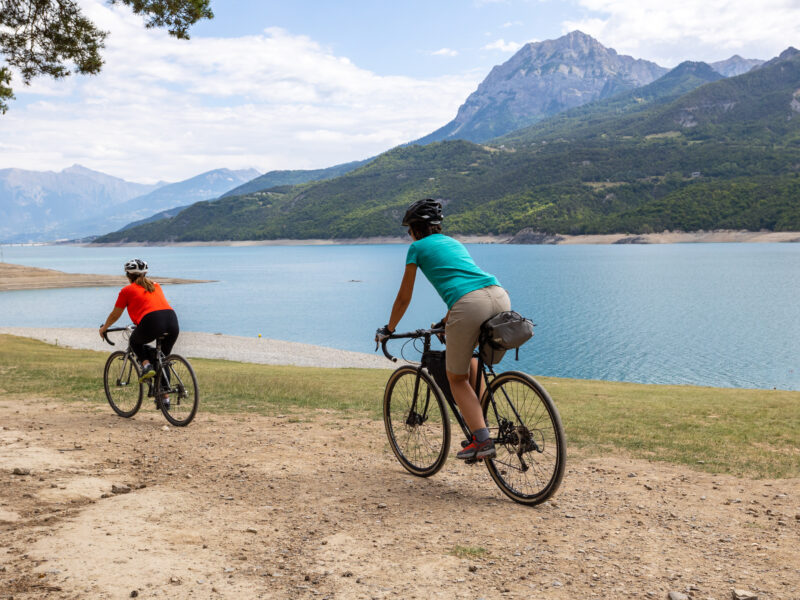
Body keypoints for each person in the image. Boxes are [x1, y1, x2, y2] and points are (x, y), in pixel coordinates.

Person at [375, 199, 511, 460]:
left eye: (409, 229)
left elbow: (404, 297)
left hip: (469, 304)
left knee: (456, 379)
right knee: (474, 359)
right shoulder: (453, 242)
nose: (408, 234)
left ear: (416, 229)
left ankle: (482, 440)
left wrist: (388, 328)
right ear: (436, 225)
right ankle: (480, 418)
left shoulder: (417, 247)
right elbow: (468, 284)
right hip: (499, 295)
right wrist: (446, 321)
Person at [99, 259, 180, 395]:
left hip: (152, 321)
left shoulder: (127, 290)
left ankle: (146, 366)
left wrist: (104, 328)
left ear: (128, 276)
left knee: (134, 342)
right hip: (172, 321)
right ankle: (165, 398)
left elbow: (115, 314)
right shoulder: (155, 286)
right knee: (162, 360)